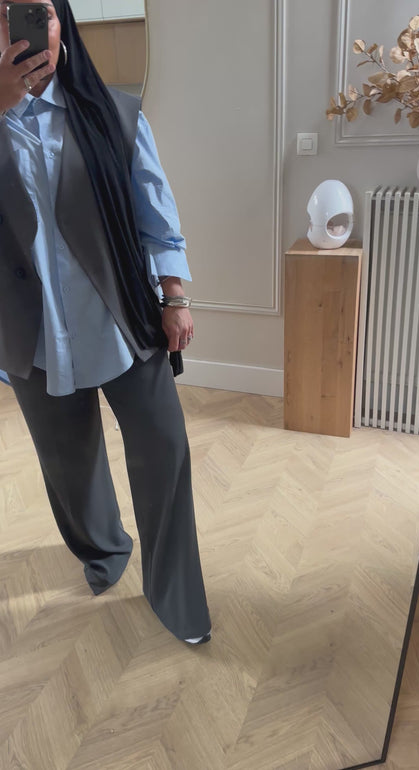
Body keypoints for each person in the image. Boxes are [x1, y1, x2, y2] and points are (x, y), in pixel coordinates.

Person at [0, 0, 211, 644]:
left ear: (61, 24)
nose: (18, 27)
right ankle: (104, 550)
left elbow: (155, 212)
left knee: (164, 449)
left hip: (123, 320)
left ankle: (175, 593)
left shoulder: (115, 114)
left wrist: (175, 296)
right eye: (2, 14)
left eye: (36, 12)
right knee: (69, 465)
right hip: (32, 336)